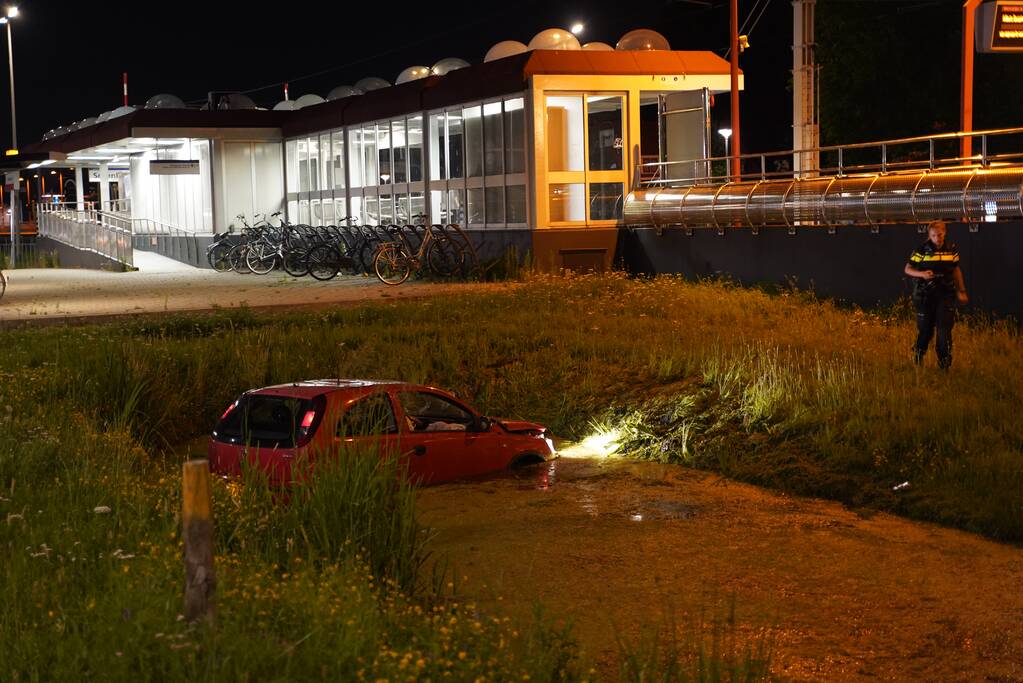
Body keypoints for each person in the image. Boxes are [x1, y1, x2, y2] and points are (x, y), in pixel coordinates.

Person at [904, 221, 969, 369]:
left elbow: (956, 270)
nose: (937, 238)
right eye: (933, 235)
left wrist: (961, 291)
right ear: (929, 235)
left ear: (944, 233)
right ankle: (918, 356)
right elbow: (908, 269)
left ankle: (944, 366)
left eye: (939, 235)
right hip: (926, 295)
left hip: (945, 294)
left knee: (944, 331)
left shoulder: (951, 248)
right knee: (926, 331)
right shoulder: (922, 249)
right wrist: (922, 274)